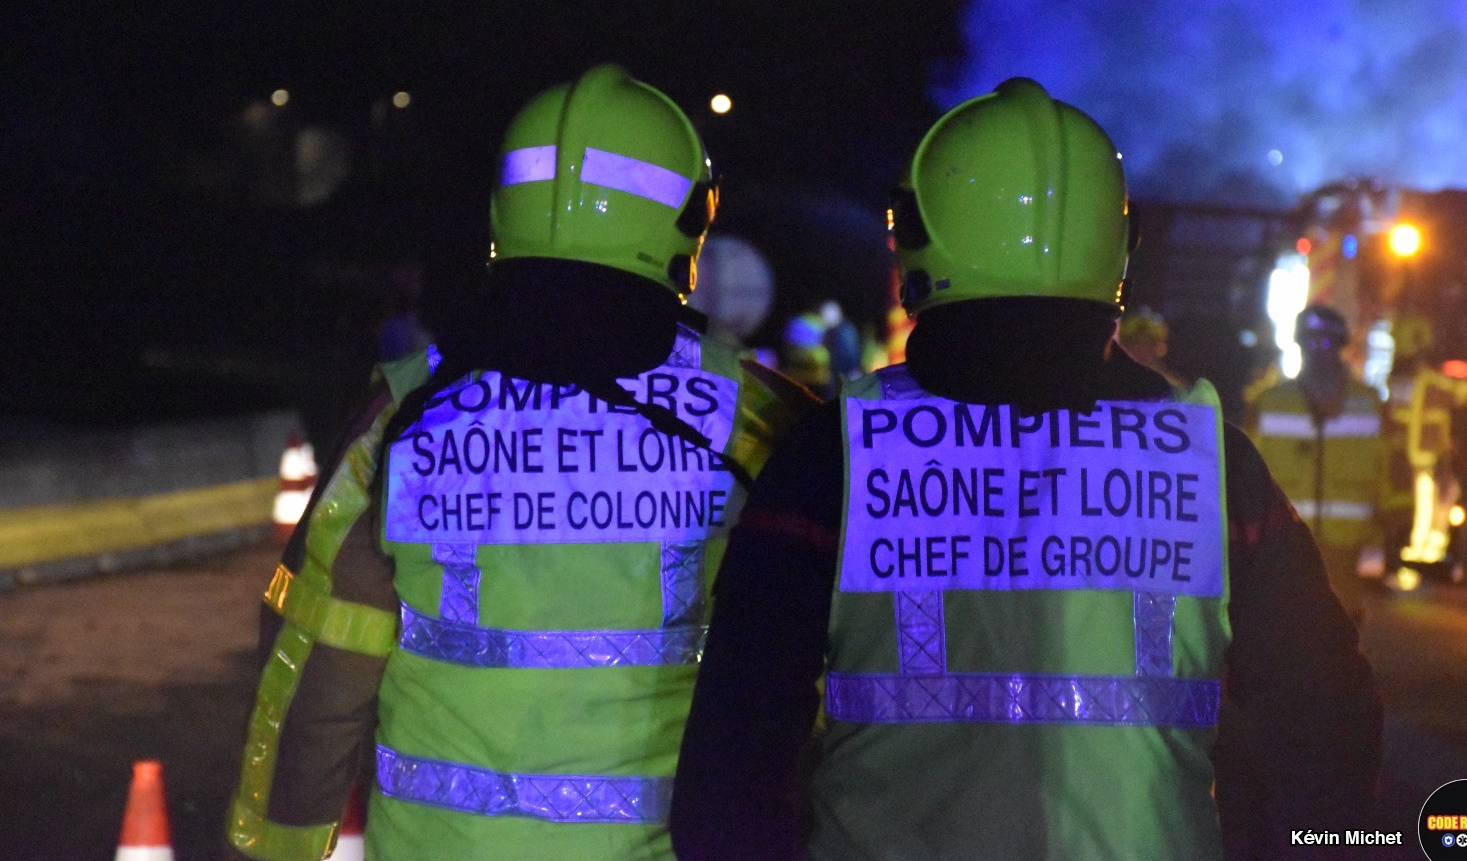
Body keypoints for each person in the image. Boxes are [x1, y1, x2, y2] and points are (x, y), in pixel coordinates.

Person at [670, 78, 1381, 860]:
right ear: (1119, 243)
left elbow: (734, 751)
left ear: (916, 237)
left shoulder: (835, 454)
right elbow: (1328, 728)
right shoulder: (1210, 461)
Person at [225, 64, 814, 860]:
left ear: (505, 212)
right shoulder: (761, 424)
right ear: (686, 224)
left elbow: (318, 666)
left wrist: (274, 850)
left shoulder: (406, 415)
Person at [1246, 305, 1384, 624]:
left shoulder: (1370, 405)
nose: (1315, 351)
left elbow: (1390, 467)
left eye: (1324, 343)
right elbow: (1246, 474)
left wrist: (1392, 521)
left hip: (1345, 549)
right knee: (1284, 636)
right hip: (1283, 546)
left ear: (1340, 346)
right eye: (1308, 342)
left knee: (1342, 641)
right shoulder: (1269, 402)